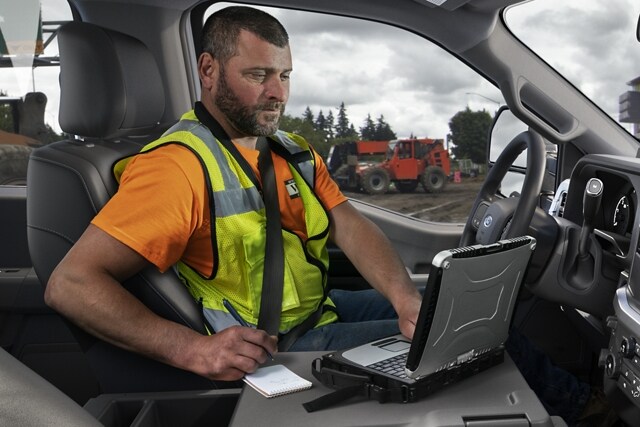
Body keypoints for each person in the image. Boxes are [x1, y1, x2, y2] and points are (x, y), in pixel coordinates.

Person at [45, 5, 422, 383]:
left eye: (284, 75)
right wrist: (190, 349)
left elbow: (351, 227)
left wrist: (404, 298)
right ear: (208, 71)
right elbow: (71, 284)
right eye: (259, 75)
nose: (277, 93)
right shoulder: (177, 166)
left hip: (320, 310)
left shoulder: (293, 152)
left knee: (447, 317)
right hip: (279, 351)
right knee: (441, 345)